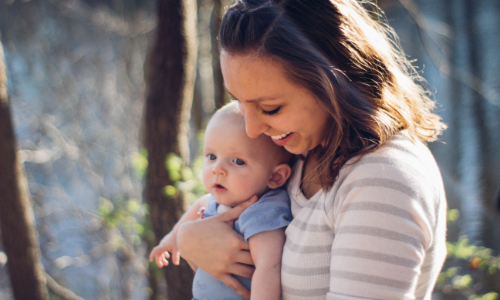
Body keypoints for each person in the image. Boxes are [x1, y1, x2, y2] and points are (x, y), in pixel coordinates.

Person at [176, 0, 448, 299]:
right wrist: (190, 239)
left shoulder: (383, 179)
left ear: (334, 81)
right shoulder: (302, 150)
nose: (252, 129)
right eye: (240, 101)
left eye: (270, 108)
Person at [149, 102, 293, 300]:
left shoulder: (262, 212)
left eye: (238, 161)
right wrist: (170, 241)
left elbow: (269, 268)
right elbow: (197, 206)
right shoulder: (215, 201)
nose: (217, 169)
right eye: (211, 156)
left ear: (275, 177)